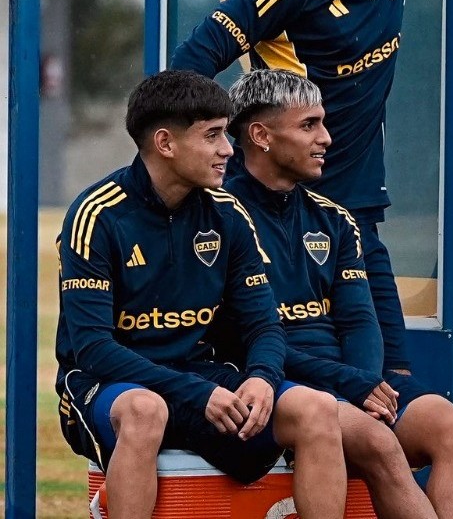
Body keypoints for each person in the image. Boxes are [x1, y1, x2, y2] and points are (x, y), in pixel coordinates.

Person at [171, 0, 453, 378]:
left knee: (394, 379)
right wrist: (218, 146)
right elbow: (192, 62)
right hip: (282, 218)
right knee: (291, 381)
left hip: (355, 214)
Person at [54, 70, 348, 519]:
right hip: (111, 385)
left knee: (317, 408)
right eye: (212, 136)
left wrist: (262, 377)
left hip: (201, 378)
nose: (228, 149)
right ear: (165, 143)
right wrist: (195, 392)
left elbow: (263, 326)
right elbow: (93, 349)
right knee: (145, 410)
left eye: (226, 134)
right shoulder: (96, 215)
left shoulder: (228, 214)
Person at [222, 69, 453, 519]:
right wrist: (347, 387)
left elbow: (360, 321)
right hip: (277, 381)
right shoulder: (219, 217)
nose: (325, 138)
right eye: (309, 125)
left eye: (323, 123)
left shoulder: (336, 220)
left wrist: (361, 384)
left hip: (351, 381)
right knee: (379, 443)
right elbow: (240, 339)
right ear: (261, 135)